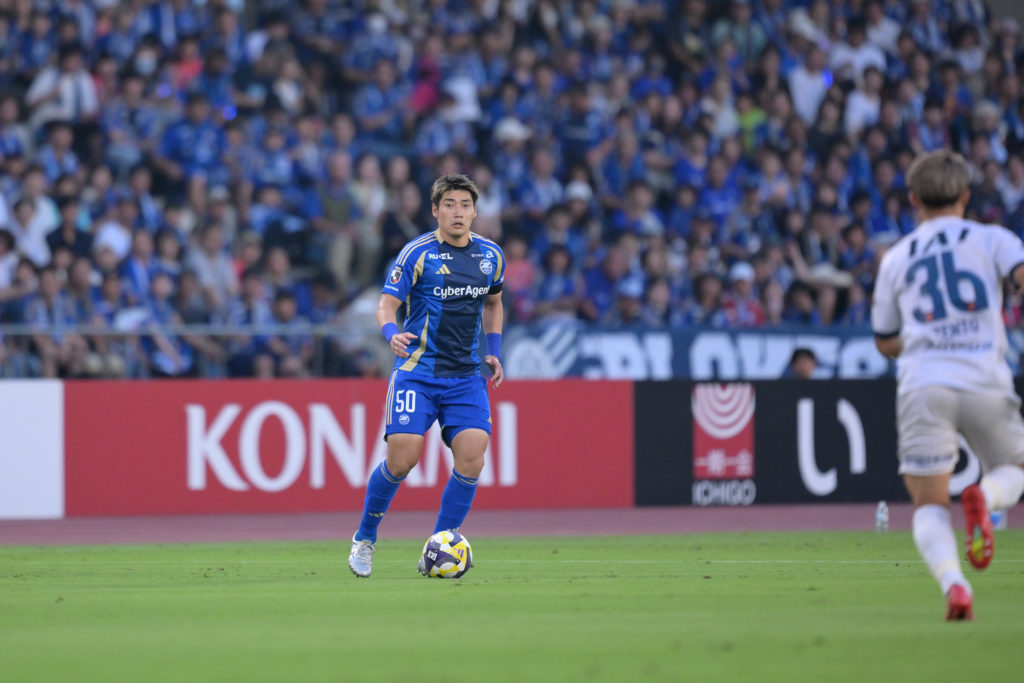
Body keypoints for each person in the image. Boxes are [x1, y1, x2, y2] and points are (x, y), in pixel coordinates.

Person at [871, 150, 1024, 621]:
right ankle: (986, 497)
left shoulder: (897, 257)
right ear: (966, 195)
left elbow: (884, 340)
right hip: (984, 377)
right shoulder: (993, 238)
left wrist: (927, 338)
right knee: (1015, 469)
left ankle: (955, 585)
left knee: (929, 503)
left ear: (913, 199)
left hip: (924, 384)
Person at [348, 174, 505, 578]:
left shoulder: (491, 256)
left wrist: (494, 350)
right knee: (402, 459)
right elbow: (387, 304)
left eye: (465, 204)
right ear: (435, 210)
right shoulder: (417, 253)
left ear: (475, 211)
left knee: (472, 456)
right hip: (418, 372)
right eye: (449, 204)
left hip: (466, 375)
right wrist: (391, 333)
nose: (458, 212)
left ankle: (438, 545)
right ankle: (365, 538)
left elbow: (494, 304)